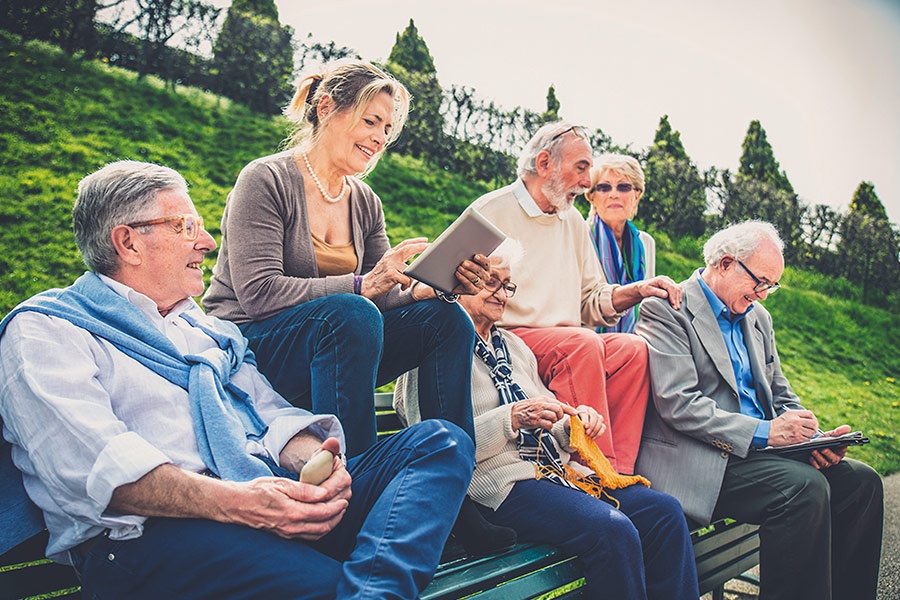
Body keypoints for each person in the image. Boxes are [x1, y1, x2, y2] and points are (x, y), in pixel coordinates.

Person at [0, 161, 476, 599]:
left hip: (267, 502)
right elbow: (96, 469)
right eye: (185, 226)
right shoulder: (47, 328)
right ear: (128, 242)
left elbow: (270, 413)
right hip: (153, 537)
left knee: (440, 442)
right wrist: (240, 502)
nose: (207, 242)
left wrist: (319, 465)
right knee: (332, 587)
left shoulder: (208, 331)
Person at [202, 61, 514, 556]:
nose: (380, 138)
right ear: (326, 108)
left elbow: (379, 294)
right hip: (252, 352)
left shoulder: (364, 201)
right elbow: (259, 292)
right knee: (351, 312)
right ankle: (360, 503)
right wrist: (361, 286)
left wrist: (424, 290)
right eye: (371, 121)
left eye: (388, 129)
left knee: (444, 320)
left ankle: (456, 503)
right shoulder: (265, 179)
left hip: (336, 343)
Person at [394, 243, 699, 599]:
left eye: (507, 285)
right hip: (496, 488)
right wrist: (510, 419)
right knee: (613, 530)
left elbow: (549, 418)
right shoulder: (431, 348)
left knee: (663, 512)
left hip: (554, 475)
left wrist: (574, 425)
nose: (501, 293)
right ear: (462, 281)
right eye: (492, 281)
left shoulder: (513, 345)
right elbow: (433, 448)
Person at [635, 220, 884, 600]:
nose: (764, 294)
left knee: (862, 483)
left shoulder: (758, 318)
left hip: (760, 455)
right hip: (702, 460)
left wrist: (810, 437)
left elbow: (780, 394)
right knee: (802, 489)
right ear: (725, 263)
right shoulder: (668, 309)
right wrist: (768, 433)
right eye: (761, 281)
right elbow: (678, 403)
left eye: (772, 285)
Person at [466, 121, 683, 475]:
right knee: (581, 344)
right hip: (508, 342)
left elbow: (591, 300)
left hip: (567, 342)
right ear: (544, 164)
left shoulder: (573, 222)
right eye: (581, 168)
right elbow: (456, 290)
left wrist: (638, 290)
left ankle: (621, 470)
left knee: (632, 350)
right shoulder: (491, 212)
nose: (587, 183)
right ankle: (593, 469)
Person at [585, 153, 656, 333]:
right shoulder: (580, 236)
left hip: (635, 342)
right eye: (604, 187)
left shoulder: (645, 243)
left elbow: (647, 306)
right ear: (591, 196)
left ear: (637, 194)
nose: (614, 195)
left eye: (623, 187)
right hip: (588, 342)